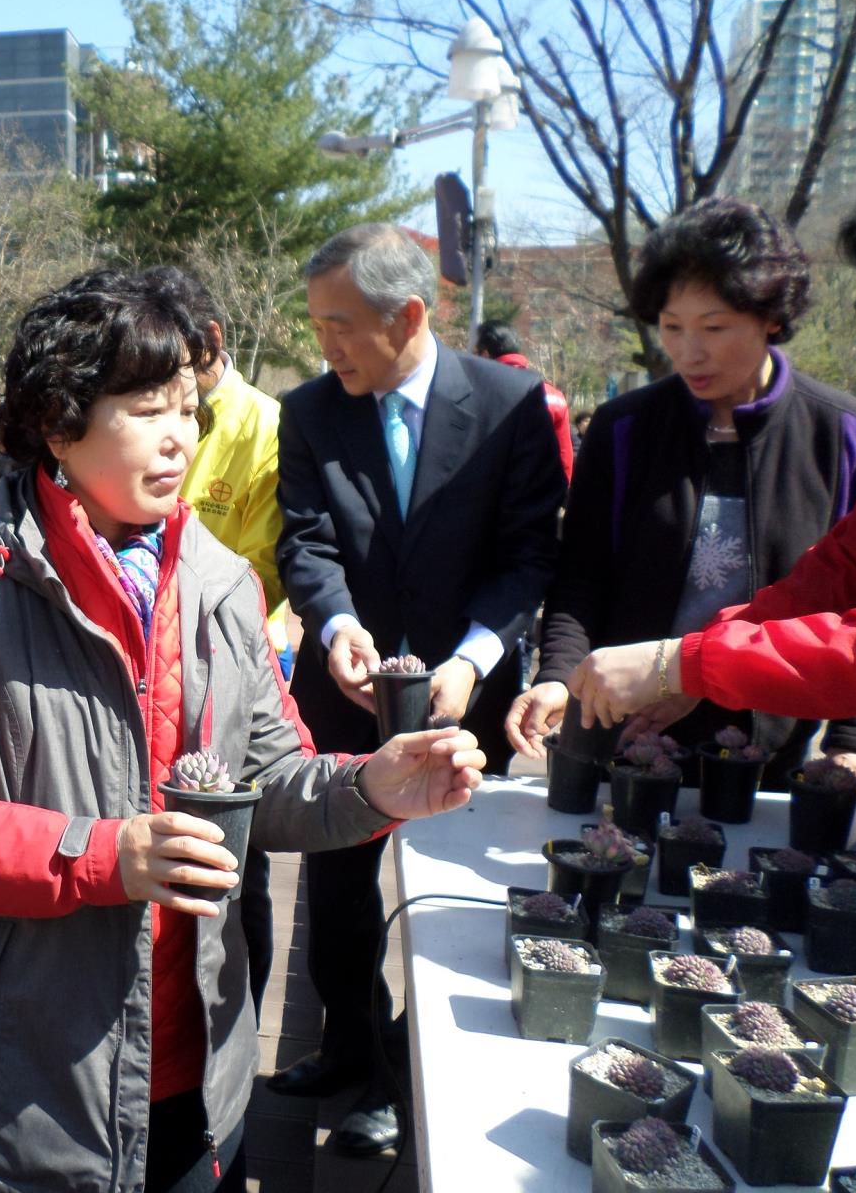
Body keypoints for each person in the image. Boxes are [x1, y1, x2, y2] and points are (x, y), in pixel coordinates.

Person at [0, 270, 485, 1193]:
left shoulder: (221, 581)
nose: (181, 433)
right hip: (14, 1078)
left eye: (189, 403)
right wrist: (101, 855)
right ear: (60, 424)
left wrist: (372, 788)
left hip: (194, 1056)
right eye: (148, 408)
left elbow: (268, 778)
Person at [273, 224, 563, 1153]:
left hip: (465, 698)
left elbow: (529, 556)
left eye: (340, 325)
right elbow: (307, 542)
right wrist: (335, 625)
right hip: (347, 701)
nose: (327, 345)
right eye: (316, 324)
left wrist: (473, 658)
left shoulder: (512, 404)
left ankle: (415, 1075)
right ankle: (353, 1050)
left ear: (408, 314)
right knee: (343, 890)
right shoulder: (311, 410)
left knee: (455, 896)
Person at [506, 196, 856, 785]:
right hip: (624, 724)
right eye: (672, 328)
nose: (689, 352)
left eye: (713, 328)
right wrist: (563, 673)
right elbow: (580, 576)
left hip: (770, 742)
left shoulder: (846, 431)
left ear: (771, 317)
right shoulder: (624, 427)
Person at [138, 265, 288, 1012]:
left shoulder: (267, 427)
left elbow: (264, 569)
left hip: (220, 661)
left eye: (187, 406)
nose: (177, 437)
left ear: (212, 344)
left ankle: (238, 1023)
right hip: (138, 656)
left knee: (236, 867)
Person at [474, 320, 576, 486]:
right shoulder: (554, 395)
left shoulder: (481, 391)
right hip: (542, 496)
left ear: (485, 354)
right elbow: (564, 456)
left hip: (493, 496)